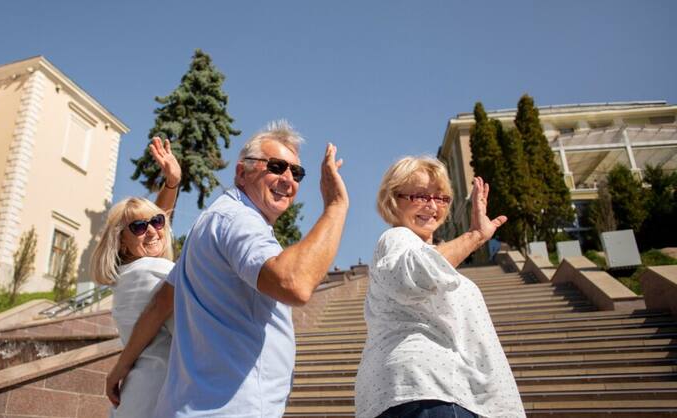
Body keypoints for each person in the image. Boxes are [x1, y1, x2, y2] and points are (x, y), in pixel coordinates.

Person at [105, 120, 349, 417]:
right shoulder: (238, 219)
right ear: (241, 172)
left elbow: (162, 302)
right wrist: (335, 207)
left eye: (295, 172)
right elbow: (293, 282)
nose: (288, 179)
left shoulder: (213, 221)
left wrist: (122, 363)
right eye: (276, 166)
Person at [355, 156, 525, 418]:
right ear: (393, 199)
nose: (432, 205)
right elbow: (414, 275)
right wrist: (475, 236)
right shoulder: (397, 238)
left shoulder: (430, 253)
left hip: (437, 392)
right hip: (431, 390)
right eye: (420, 196)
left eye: (440, 198)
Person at [91, 137, 181, 418]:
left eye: (156, 222)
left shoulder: (133, 271)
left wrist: (172, 184)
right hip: (156, 395)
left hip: (142, 392)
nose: (153, 230)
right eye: (140, 227)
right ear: (121, 242)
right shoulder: (150, 271)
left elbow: (154, 225)